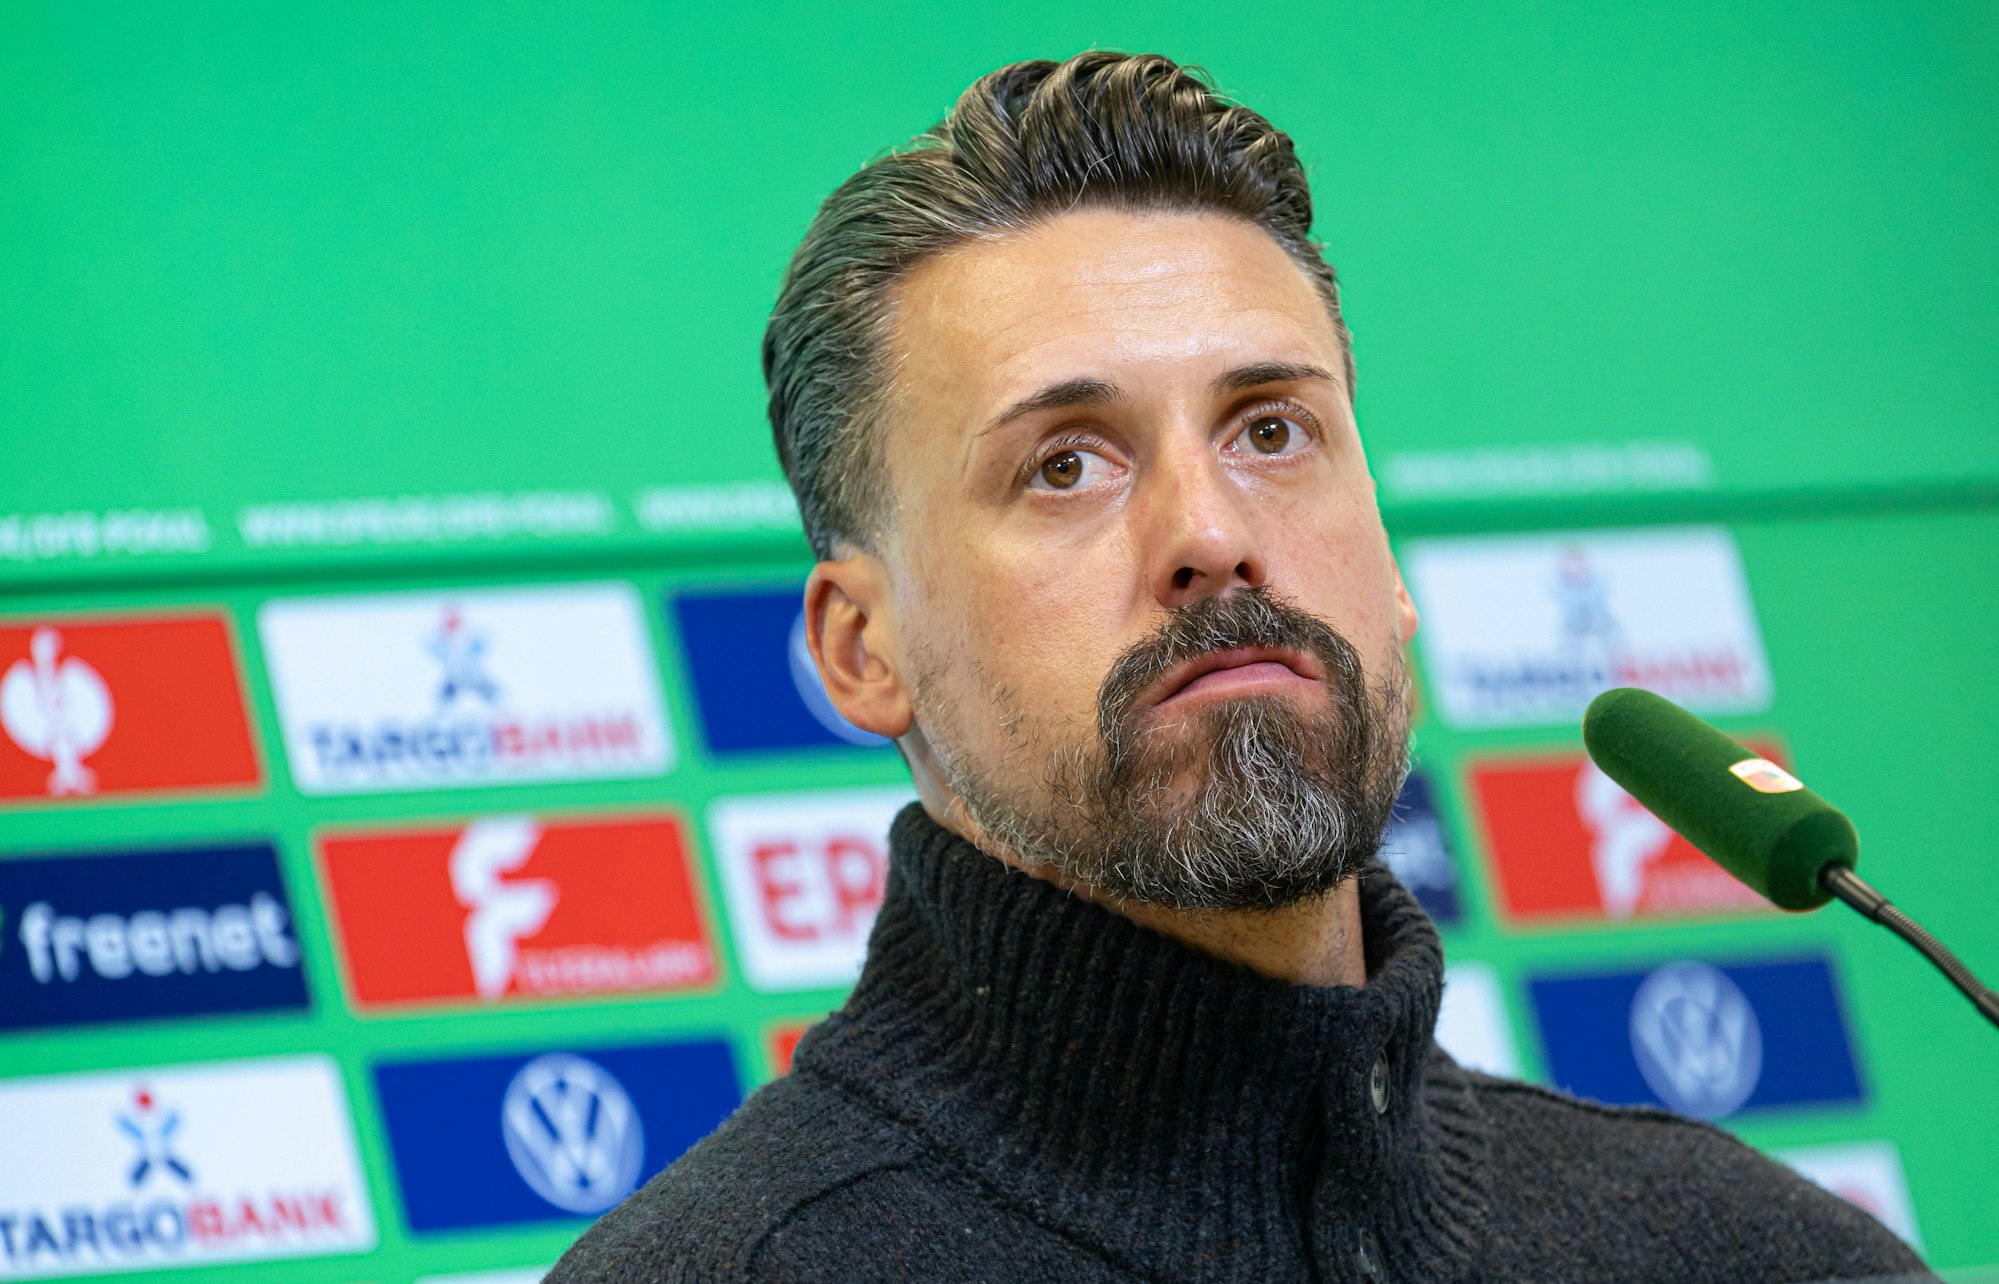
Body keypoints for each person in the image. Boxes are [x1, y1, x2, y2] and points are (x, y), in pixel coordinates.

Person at [548, 52, 1932, 1283]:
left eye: (1272, 432)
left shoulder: (1754, 1252)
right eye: (1067, 464)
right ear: (863, 650)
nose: (1212, 534)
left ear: (1389, 568)